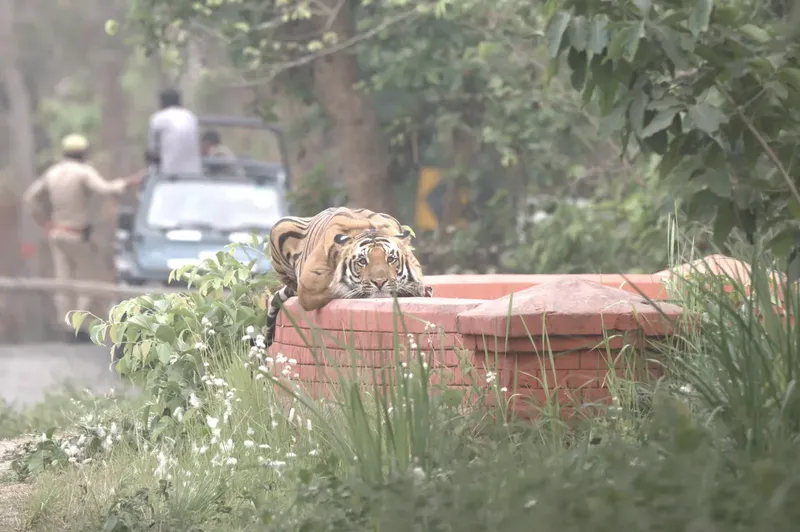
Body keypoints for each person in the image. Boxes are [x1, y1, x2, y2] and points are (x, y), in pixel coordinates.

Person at [22, 133, 143, 342]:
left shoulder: (53, 173)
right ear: (84, 153)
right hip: (76, 234)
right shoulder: (83, 172)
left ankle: (66, 326)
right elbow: (106, 189)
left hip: (57, 233)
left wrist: (45, 223)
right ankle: (80, 326)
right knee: (87, 281)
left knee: (63, 280)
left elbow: (30, 198)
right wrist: (130, 181)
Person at [146, 88, 203, 177]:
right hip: (194, 173)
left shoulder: (158, 118)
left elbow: (153, 150)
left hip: (168, 174)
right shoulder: (191, 117)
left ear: (162, 102)